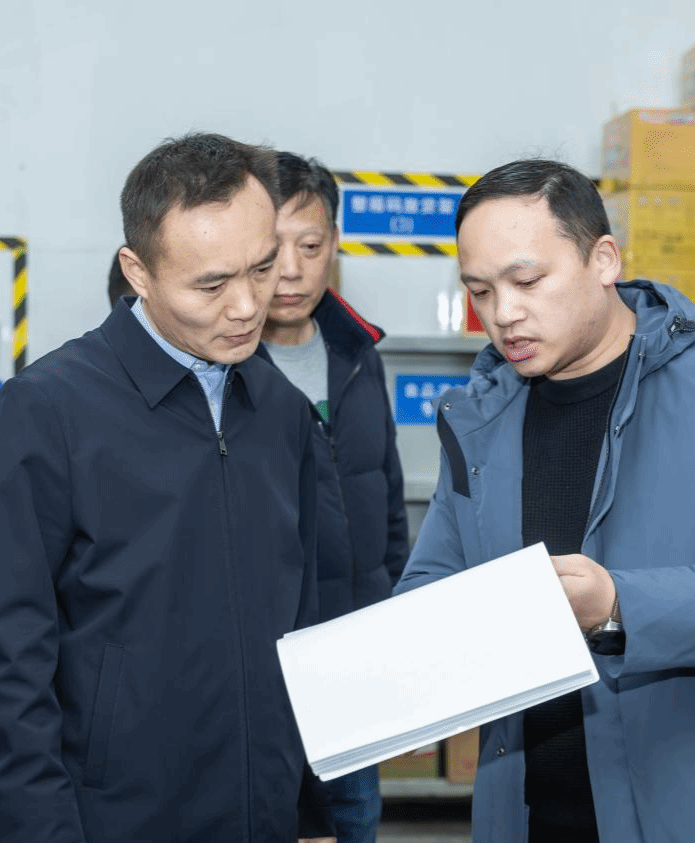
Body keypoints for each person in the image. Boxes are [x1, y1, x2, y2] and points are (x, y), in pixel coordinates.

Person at [395, 159, 695, 841]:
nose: (503, 313)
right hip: (533, 817)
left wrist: (618, 605)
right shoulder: (479, 417)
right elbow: (433, 584)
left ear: (604, 260)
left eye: (527, 281)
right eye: (480, 291)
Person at [0, 132, 335, 843]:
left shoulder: (282, 413)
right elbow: (9, 661)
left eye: (261, 269)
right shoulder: (47, 411)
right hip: (117, 816)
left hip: (263, 808)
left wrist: (310, 809)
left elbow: (303, 622)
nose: (247, 305)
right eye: (211, 285)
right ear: (137, 271)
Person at [262, 151, 409, 843]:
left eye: (311, 246)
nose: (291, 270)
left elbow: (387, 495)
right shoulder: (223, 367)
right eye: (272, 250)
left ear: (336, 245)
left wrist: (393, 610)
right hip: (263, 675)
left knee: (352, 821)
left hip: (355, 664)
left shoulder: (357, 355)